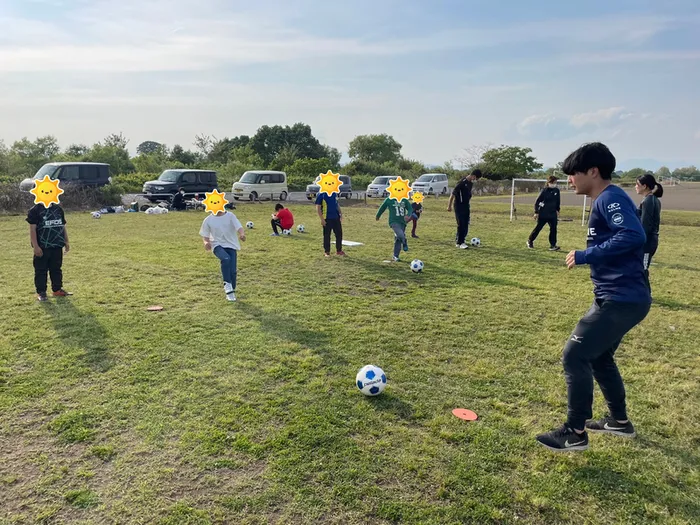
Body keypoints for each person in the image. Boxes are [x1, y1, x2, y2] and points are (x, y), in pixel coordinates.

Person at [536, 142, 651, 452]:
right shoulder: (606, 198)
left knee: (575, 355)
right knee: (599, 357)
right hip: (618, 296)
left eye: (573, 174)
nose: (569, 180)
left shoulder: (609, 198)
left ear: (593, 171)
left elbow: (633, 235)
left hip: (622, 298)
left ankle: (574, 432)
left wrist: (587, 255)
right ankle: (619, 422)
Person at [27, 202, 71, 301]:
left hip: (57, 246)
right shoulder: (35, 210)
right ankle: (41, 292)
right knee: (41, 270)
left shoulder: (58, 209)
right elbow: (32, 230)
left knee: (56, 269)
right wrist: (36, 246)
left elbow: (62, 226)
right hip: (43, 247)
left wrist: (66, 241)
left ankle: (57, 289)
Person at [199, 208, 246, 301]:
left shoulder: (230, 216)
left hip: (231, 245)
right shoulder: (208, 220)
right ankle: (227, 284)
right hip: (217, 245)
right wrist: (206, 243)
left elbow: (239, 227)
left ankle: (231, 290)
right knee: (225, 259)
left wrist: (242, 234)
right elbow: (205, 236)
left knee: (233, 271)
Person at [635, 173, 663, 282]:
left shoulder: (648, 201)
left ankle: (646, 295)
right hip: (649, 240)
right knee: (640, 267)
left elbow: (646, 224)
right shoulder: (653, 199)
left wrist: (640, 240)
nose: (635, 186)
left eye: (637, 184)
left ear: (644, 186)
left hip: (647, 241)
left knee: (643, 268)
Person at [447, 169, 482, 249]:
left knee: (466, 223)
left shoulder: (470, 184)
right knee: (461, 224)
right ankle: (460, 242)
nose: (475, 180)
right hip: (459, 206)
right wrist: (449, 206)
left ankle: (461, 239)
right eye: (476, 178)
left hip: (466, 206)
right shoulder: (461, 182)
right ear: (473, 175)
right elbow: (452, 195)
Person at [376, 195, 416, 262]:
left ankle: (395, 256)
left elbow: (410, 208)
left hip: (402, 222)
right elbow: (382, 207)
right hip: (393, 222)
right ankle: (404, 241)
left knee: (398, 238)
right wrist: (378, 215)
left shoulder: (404, 199)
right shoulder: (389, 199)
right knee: (400, 235)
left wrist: (408, 215)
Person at [527, 175, 561, 251]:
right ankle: (530, 241)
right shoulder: (544, 191)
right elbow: (537, 201)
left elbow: (558, 201)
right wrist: (536, 212)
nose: (555, 184)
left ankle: (553, 245)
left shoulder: (557, 191)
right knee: (538, 228)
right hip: (543, 213)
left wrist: (558, 210)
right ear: (549, 182)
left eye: (556, 182)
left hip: (552, 214)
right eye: (553, 182)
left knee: (553, 229)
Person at [315, 190, 345, 257]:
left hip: (336, 218)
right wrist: (322, 219)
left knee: (339, 234)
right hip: (327, 218)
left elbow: (336, 204)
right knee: (327, 235)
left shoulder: (334, 193)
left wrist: (340, 213)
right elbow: (318, 207)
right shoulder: (321, 194)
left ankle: (339, 250)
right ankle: (327, 252)